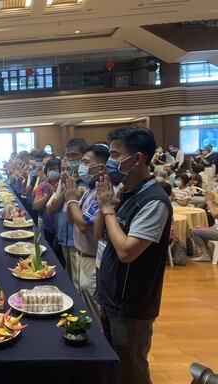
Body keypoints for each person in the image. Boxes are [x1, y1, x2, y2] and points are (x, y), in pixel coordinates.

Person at [94, 126, 172, 384]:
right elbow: (99, 235)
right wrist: (103, 205)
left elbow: (127, 251)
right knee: (113, 364)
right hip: (110, 295)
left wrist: (108, 210)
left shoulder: (154, 201)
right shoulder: (124, 192)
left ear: (137, 158)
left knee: (131, 369)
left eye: (115, 155)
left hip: (131, 303)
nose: (110, 162)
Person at [64, 144, 110, 328]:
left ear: (100, 168)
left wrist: (72, 200)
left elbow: (84, 225)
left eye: (85, 162)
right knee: (85, 310)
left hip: (93, 260)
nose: (80, 166)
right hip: (80, 256)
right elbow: (70, 220)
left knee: (96, 315)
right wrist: (71, 197)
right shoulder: (90, 189)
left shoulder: (103, 193)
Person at [46, 138, 88, 277]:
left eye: (74, 155)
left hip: (81, 240)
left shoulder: (90, 180)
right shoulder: (65, 178)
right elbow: (52, 208)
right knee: (68, 277)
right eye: (68, 155)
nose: (70, 159)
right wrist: (67, 192)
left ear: (84, 156)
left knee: (80, 282)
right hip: (64, 235)